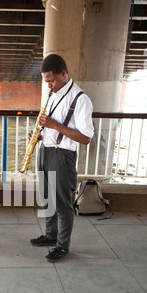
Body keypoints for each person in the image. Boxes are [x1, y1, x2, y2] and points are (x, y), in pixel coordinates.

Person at [30, 54, 94, 262]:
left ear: (64, 73)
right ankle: (51, 235)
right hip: (46, 150)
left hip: (62, 155)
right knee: (47, 197)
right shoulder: (54, 94)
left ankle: (62, 245)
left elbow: (85, 137)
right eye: (46, 81)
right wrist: (39, 136)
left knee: (62, 203)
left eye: (51, 80)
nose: (49, 84)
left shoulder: (81, 99)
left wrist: (54, 125)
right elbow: (51, 126)